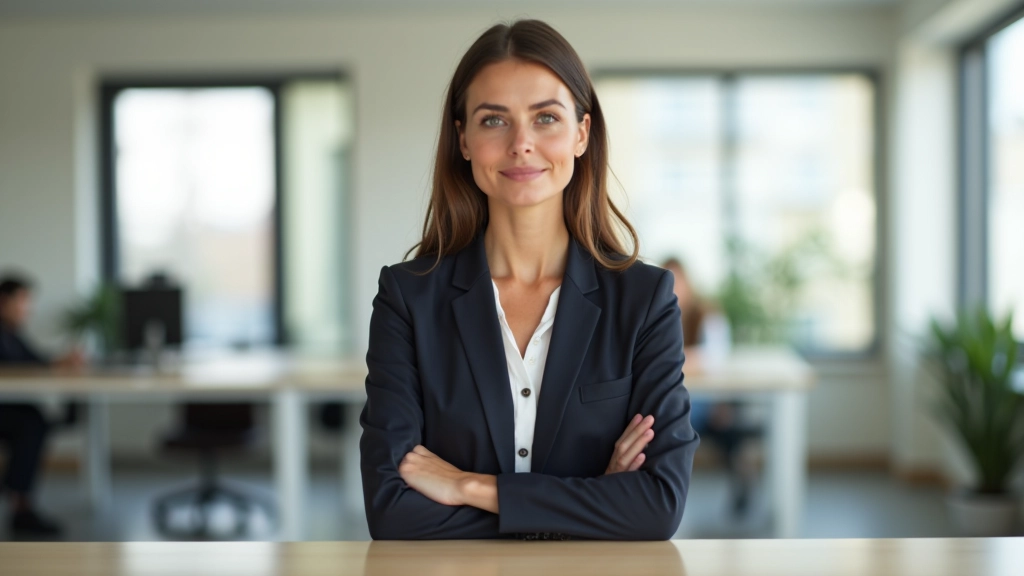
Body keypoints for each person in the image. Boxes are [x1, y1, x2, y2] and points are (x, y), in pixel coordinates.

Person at [359, 20, 699, 540]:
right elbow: (391, 510)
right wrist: (593, 500)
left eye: (546, 118)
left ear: (582, 133)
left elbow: (657, 506)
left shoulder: (644, 299)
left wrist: (470, 487)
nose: (521, 144)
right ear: (464, 139)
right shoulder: (409, 298)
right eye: (494, 120)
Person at [661, 258, 758, 517]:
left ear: (689, 283)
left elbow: (715, 356)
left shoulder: (707, 314)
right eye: (668, 280)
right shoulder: (656, 313)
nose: (674, 287)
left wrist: (674, 357)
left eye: (678, 280)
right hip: (675, 400)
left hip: (708, 400)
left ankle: (742, 485)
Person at [0, 274, 82, 537]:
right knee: (32, 424)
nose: (28, 310)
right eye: (22, 302)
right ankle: (19, 502)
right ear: (4, 302)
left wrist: (61, 361)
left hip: (12, 406)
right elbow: (16, 367)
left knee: (36, 419)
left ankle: (17, 494)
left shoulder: (11, 333)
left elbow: (33, 361)